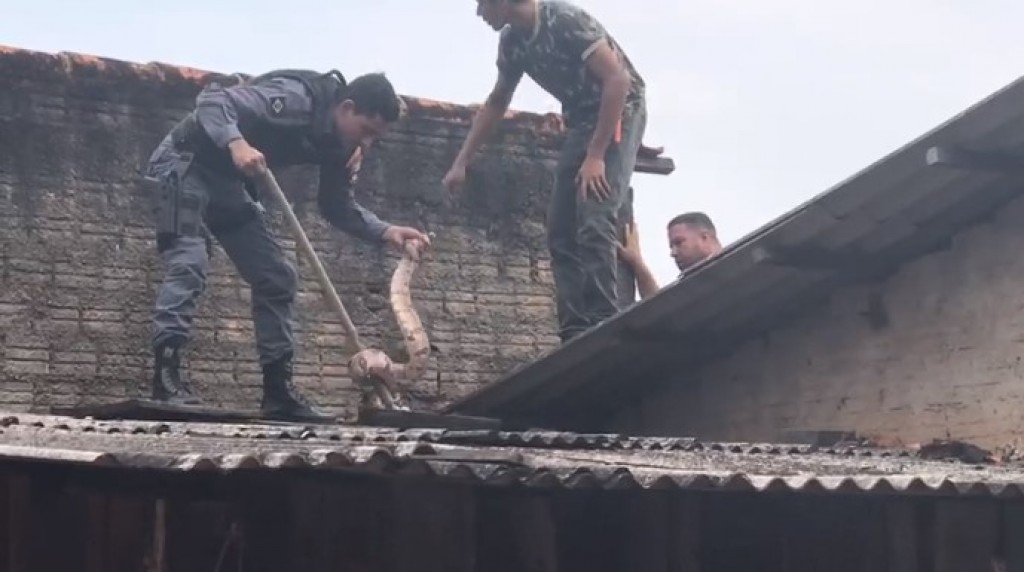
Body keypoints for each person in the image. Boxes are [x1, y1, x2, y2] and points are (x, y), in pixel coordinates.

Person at [143, 68, 431, 423]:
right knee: (190, 260)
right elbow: (213, 100)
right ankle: (166, 379)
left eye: (375, 137)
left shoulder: (341, 145)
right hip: (183, 165)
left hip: (227, 184)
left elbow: (336, 206)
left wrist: (386, 231)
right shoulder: (297, 99)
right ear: (347, 107)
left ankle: (278, 393)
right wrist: (237, 143)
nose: (367, 143)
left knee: (277, 276)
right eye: (366, 131)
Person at [443, 0, 648, 343]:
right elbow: (497, 102)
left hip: (620, 109)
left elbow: (617, 79)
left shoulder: (565, 20)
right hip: (582, 119)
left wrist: (597, 155)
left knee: (595, 212)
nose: (480, 13)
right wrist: (461, 160)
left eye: (482, 4)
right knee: (560, 227)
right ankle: (575, 327)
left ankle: (603, 318)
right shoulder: (512, 41)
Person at [618, 212, 723, 300]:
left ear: (704, 237)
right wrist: (636, 262)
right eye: (671, 247)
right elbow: (661, 309)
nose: (673, 253)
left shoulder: (734, 271)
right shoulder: (694, 289)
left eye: (679, 243)